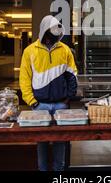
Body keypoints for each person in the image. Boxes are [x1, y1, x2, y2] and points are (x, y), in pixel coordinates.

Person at [19, 15, 78, 171]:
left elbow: (72, 74)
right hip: (40, 105)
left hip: (61, 104)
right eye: (50, 35)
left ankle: (59, 173)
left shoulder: (65, 50)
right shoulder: (29, 51)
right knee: (42, 141)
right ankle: (43, 170)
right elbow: (24, 78)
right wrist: (32, 101)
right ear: (43, 32)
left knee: (61, 141)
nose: (53, 38)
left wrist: (68, 97)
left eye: (56, 35)